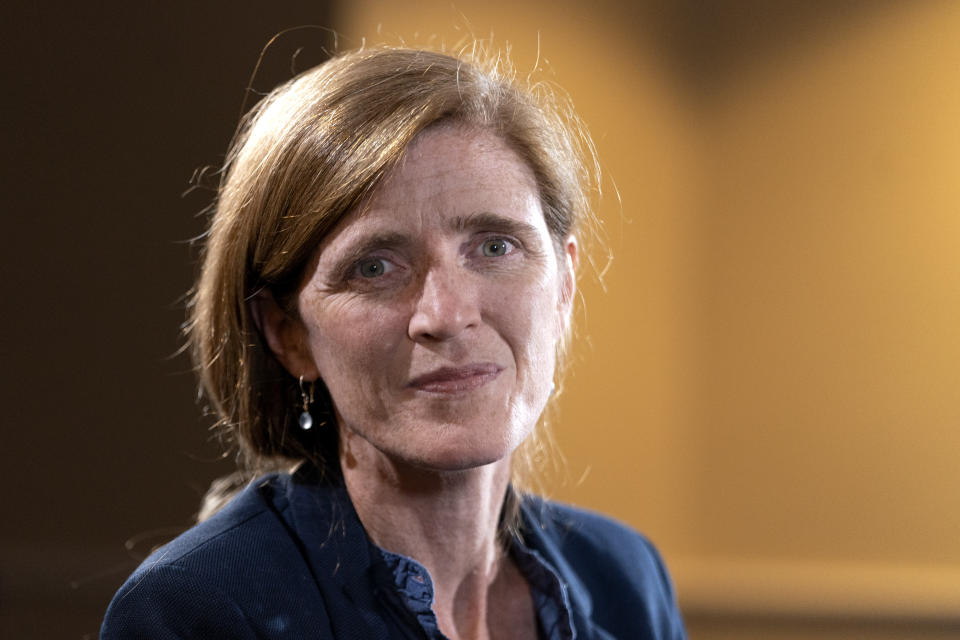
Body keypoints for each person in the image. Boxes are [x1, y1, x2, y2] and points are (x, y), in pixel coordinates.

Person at [101, 45, 686, 640]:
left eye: (494, 247)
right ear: (289, 336)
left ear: (564, 285)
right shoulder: (196, 612)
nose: (448, 315)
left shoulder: (623, 580)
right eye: (374, 267)